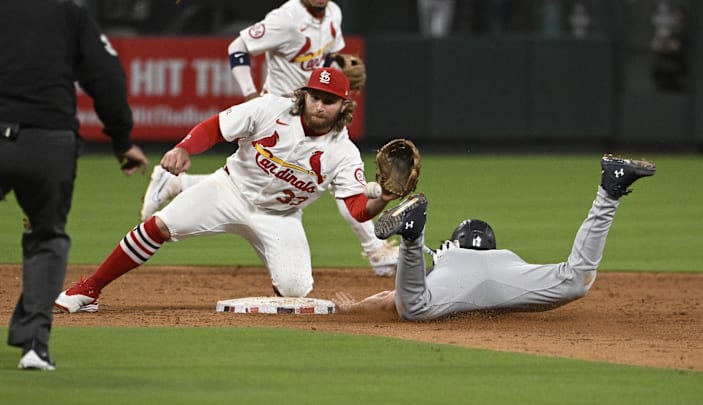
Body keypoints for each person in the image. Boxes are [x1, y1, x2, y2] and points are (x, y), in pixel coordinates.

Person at [55, 67, 398, 314]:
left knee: (295, 292)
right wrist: (184, 148)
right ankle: (90, 289)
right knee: (159, 225)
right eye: (315, 97)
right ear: (304, 95)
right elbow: (215, 127)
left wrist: (381, 199)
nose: (320, 106)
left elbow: (355, 209)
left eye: (329, 100)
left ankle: (278, 278)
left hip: (280, 217)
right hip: (228, 190)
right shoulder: (269, 109)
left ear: (344, 106)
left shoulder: (344, 152)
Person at [139, 0, 399, 277]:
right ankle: (375, 250)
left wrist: (339, 69)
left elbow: (327, 59)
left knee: (319, 176)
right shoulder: (286, 19)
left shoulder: (334, 12)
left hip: (315, 117)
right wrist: (250, 93)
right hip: (280, 113)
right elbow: (237, 47)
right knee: (302, 179)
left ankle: (177, 182)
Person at [0, 0, 149, 370]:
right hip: (47, 141)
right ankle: (35, 345)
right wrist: (121, 139)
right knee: (45, 236)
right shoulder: (68, 12)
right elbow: (107, 76)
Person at [333, 154, 656, 321]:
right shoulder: (506, 257)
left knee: (413, 308)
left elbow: (390, 299)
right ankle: (609, 190)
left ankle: (413, 237)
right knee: (576, 279)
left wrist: (356, 309)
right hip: (509, 276)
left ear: (455, 241)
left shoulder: (449, 255)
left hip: (456, 277)